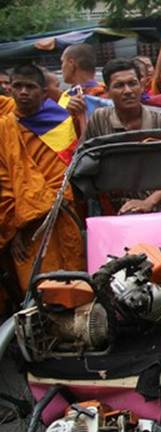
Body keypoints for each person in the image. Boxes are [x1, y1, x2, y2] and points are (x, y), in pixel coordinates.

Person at [0, 64, 84, 292]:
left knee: (74, 284)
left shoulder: (61, 121)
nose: (23, 92)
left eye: (30, 87)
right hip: (25, 226)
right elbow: (4, 182)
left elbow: (69, 173)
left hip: (62, 216)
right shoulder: (5, 128)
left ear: (43, 92)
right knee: (36, 291)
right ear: (10, 90)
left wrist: (79, 117)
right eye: (18, 86)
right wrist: (13, 229)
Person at [84, 59, 161, 215]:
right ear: (108, 91)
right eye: (119, 85)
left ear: (141, 85)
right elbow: (84, 158)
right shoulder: (99, 119)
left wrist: (149, 202)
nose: (127, 91)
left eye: (132, 83)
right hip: (117, 208)